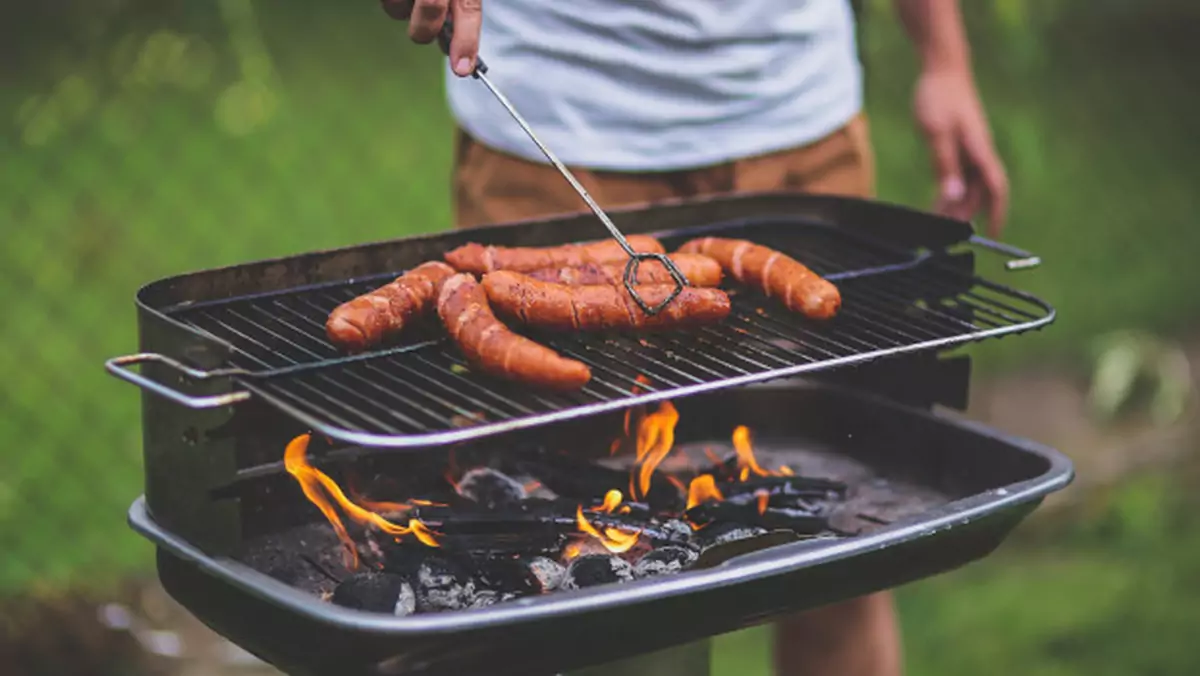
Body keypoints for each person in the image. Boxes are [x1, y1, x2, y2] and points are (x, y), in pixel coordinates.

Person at [382, 1, 1008, 674]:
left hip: (800, 125)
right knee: (592, 580)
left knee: (842, 544)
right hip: (552, 127)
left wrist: (944, 61)